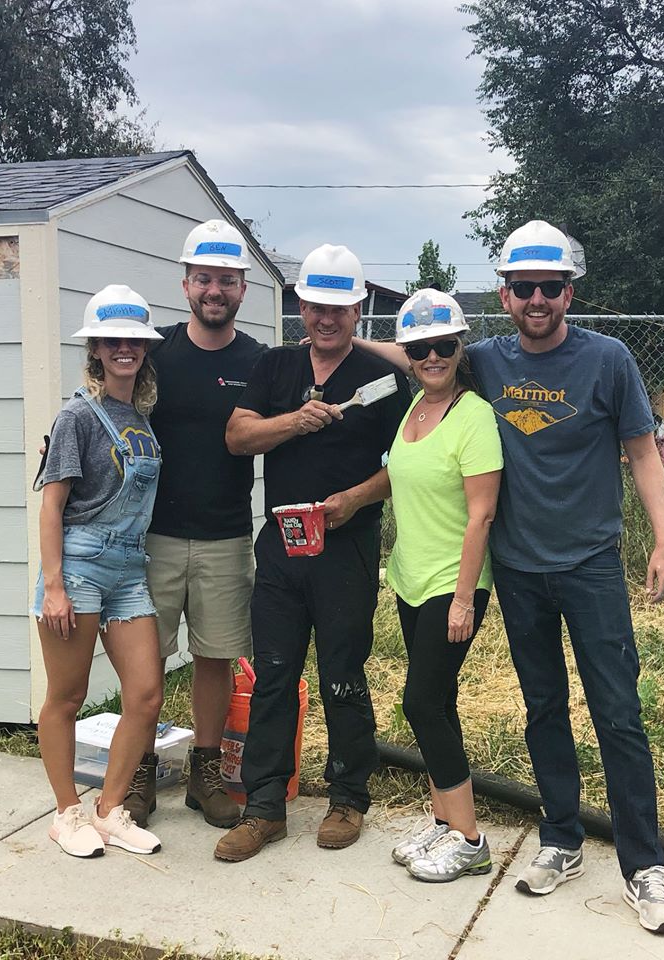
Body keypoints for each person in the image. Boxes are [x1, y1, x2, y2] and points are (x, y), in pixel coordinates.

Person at [359, 221, 664, 934]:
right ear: (504, 296)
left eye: (551, 287)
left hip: (592, 564)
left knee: (617, 712)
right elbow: (422, 355)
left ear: (570, 291)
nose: (538, 299)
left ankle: (643, 864)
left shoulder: (608, 360)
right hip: (521, 569)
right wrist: (340, 334)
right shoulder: (486, 362)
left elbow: (642, 452)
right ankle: (561, 838)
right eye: (525, 288)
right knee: (543, 708)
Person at [214, 244, 412, 862]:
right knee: (274, 673)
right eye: (317, 305)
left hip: (347, 547)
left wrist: (355, 500)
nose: (327, 318)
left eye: (341, 307)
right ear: (302, 305)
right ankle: (265, 806)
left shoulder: (382, 384)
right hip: (281, 547)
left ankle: (348, 796)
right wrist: (293, 422)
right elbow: (237, 435)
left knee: (343, 673)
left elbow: (404, 467)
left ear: (359, 309)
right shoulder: (275, 368)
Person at [123, 220, 268, 830]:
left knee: (215, 657)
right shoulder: (154, 355)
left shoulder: (259, 362)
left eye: (227, 281)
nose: (215, 290)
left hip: (227, 534)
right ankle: (137, 772)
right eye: (204, 278)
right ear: (185, 285)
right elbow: (104, 416)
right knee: (146, 660)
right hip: (153, 535)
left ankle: (204, 773)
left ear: (243, 290)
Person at [33, 285, 164, 859]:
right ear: (95, 349)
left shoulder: (140, 415)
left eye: (132, 340)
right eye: (112, 340)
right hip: (81, 565)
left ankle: (110, 811)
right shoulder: (76, 416)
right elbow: (52, 505)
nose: (123, 349)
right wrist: (55, 585)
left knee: (146, 693)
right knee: (68, 695)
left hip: (130, 568)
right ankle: (66, 813)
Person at [385, 290, 503, 882]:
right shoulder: (413, 411)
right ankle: (441, 820)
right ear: (407, 354)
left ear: (460, 349)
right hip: (410, 580)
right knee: (441, 702)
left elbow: (481, 514)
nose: (432, 356)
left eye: (443, 347)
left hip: (452, 586)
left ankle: (470, 839)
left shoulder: (474, 416)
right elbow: (397, 477)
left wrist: (462, 598)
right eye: (420, 348)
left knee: (422, 701)